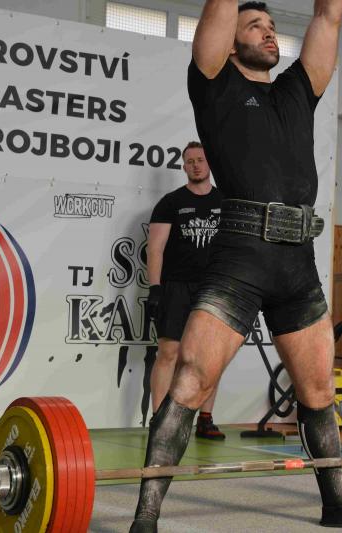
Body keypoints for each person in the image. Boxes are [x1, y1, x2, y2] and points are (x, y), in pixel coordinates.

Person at [131, 2, 342, 531]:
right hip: (240, 256)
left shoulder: (297, 89)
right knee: (191, 381)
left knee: (318, 392)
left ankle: (336, 502)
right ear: (230, 42)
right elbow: (216, 20)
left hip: (298, 262)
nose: (269, 34)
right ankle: (146, 516)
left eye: (273, 28)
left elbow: (328, 17)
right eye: (255, 26)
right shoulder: (214, 84)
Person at [146, 141, 225, 440]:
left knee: (210, 357)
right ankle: (159, 418)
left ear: (209, 164)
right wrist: (155, 288)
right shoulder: (170, 202)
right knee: (169, 352)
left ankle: (205, 418)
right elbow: (155, 249)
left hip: (213, 287)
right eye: (190, 161)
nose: (195, 165)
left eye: (200, 160)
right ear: (184, 166)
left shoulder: (225, 202)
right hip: (177, 286)